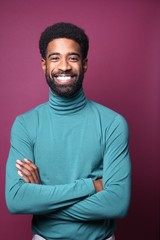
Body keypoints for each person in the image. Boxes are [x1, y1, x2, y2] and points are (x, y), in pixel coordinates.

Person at [5, 22, 131, 240]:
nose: (63, 66)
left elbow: (117, 203)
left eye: (72, 58)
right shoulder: (25, 124)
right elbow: (16, 199)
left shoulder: (113, 123)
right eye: (55, 58)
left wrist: (42, 199)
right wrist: (91, 186)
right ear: (44, 65)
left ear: (85, 64)